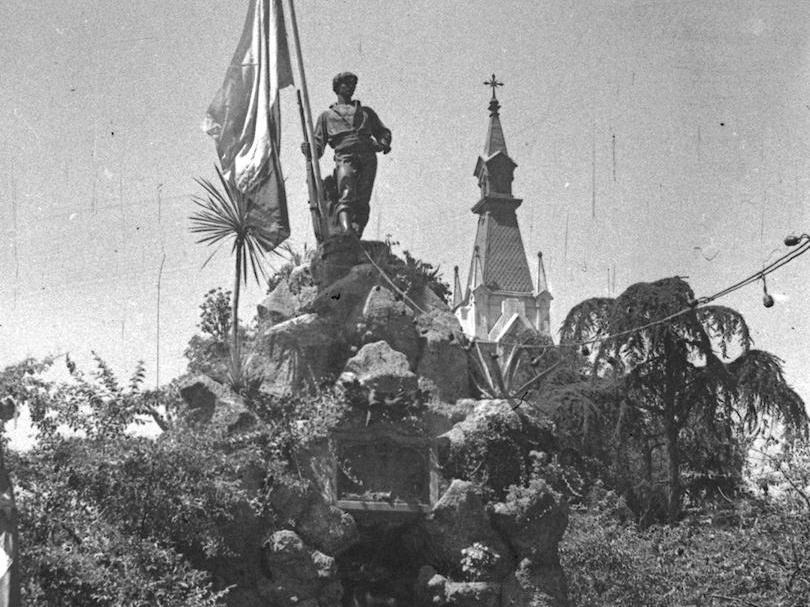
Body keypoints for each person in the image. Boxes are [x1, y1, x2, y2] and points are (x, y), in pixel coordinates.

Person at [302, 72, 391, 237]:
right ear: (337, 88)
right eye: (346, 84)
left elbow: (383, 132)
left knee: (363, 199)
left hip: (368, 157)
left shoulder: (366, 112)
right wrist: (310, 149)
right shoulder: (327, 116)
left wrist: (382, 144)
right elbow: (318, 144)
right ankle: (346, 231)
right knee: (346, 191)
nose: (351, 87)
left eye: (353, 84)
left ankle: (356, 234)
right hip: (345, 156)